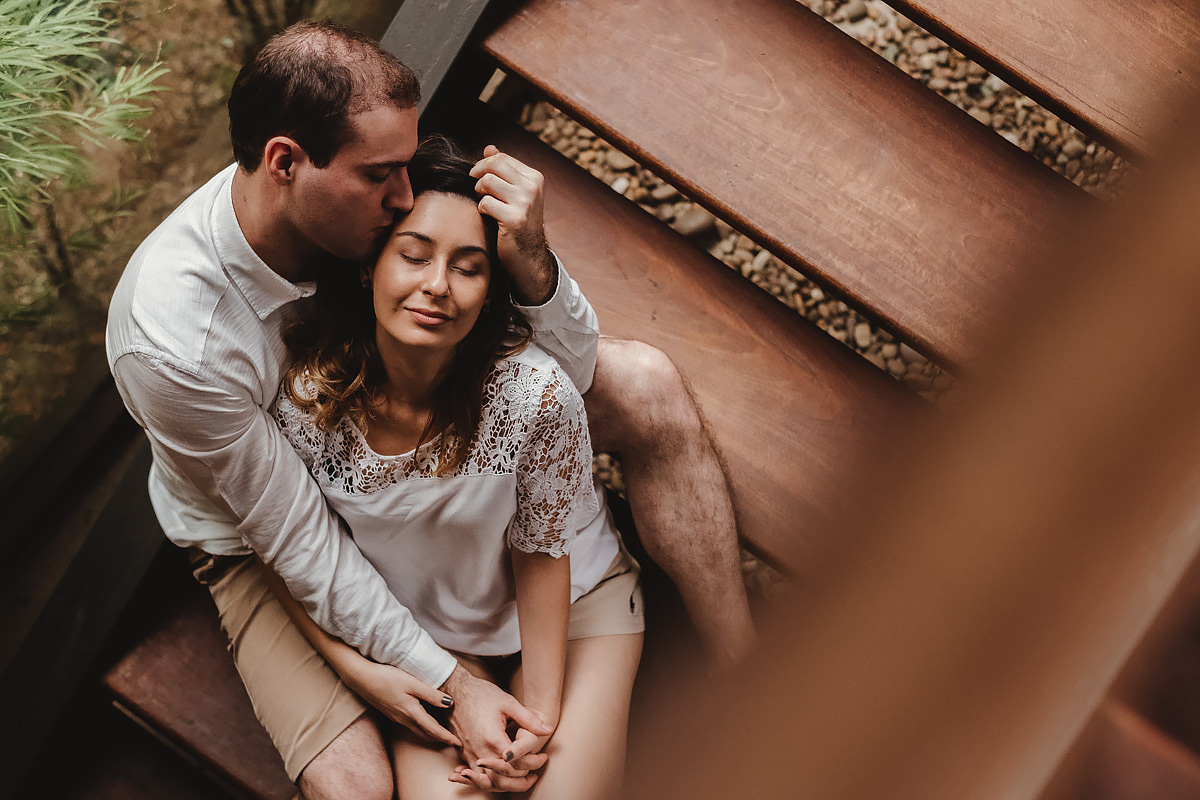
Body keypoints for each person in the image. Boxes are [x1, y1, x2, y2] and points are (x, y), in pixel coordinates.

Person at [105, 18, 752, 799]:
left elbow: (562, 377)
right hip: (255, 528)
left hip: (426, 431)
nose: (406, 196)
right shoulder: (176, 342)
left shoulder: (365, 224)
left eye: (407, 170)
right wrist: (409, 675)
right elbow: (291, 537)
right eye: (383, 176)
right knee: (356, 790)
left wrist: (534, 266)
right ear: (284, 163)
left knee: (643, 385)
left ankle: (747, 668)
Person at [268, 134, 643, 798]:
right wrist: (386, 670)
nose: (436, 287)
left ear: (490, 288)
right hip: (432, 643)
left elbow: (541, 551)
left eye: (468, 268)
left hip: (573, 606)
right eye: (413, 256)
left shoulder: (535, 394)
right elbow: (290, 554)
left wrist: (541, 721)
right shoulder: (304, 403)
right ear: (369, 266)